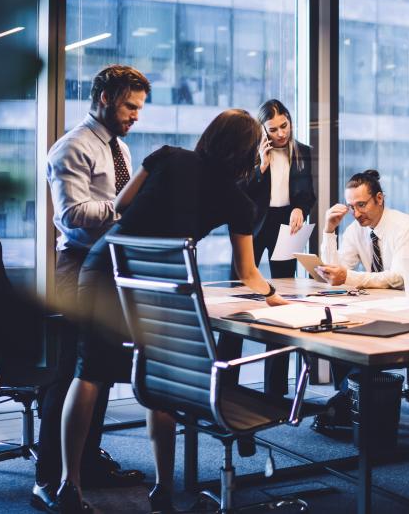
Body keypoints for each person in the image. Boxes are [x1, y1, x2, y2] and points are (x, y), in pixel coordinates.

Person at [56, 109, 289, 514]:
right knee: (160, 380)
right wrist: (273, 294)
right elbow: (247, 272)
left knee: (88, 371)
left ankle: (67, 485)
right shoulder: (237, 200)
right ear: (249, 151)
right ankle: (163, 490)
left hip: (107, 263)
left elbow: (122, 205)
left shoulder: (168, 156)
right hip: (164, 281)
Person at [35, 65, 150, 513]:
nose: (135, 116)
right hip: (79, 268)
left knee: (98, 370)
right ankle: (49, 478)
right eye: (129, 105)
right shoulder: (72, 148)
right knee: (70, 375)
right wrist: (126, 209)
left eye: (139, 108)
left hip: (112, 268)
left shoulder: (119, 146)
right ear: (104, 98)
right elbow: (72, 215)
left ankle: (86, 463)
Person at [312, 169, 409, 431]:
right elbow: (335, 270)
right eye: (352, 207)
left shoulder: (403, 226)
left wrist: (349, 277)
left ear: (379, 198)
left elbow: (398, 278)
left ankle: (345, 402)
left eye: (362, 205)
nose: (356, 213)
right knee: (336, 329)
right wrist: (329, 231)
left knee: (354, 334)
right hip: (377, 303)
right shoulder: (356, 229)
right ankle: (350, 399)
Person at [242, 99, 315, 396]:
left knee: (283, 298)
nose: (281, 134)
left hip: (287, 226)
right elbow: (242, 191)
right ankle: (227, 378)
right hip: (257, 225)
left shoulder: (304, 152)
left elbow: (307, 193)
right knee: (240, 292)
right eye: (273, 129)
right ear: (262, 129)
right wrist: (261, 165)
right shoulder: (251, 151)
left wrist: (300, 208)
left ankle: (276, 387)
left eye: (284, 126)